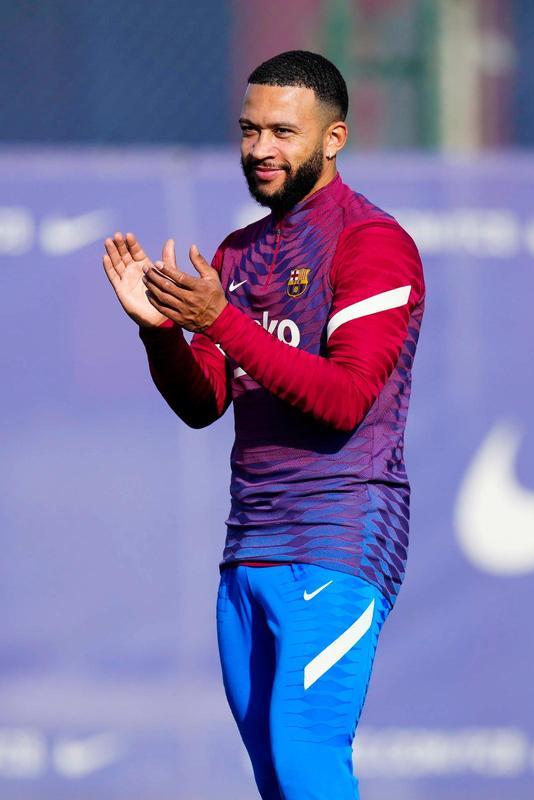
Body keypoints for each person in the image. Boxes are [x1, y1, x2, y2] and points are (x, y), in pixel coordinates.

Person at [101, 50, 424, 799]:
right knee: (276, 775)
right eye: (249, 131)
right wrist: (160, 332)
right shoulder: (238, 254)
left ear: (334, 138)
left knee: (305, 751)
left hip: (341, 533)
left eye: (283, 132)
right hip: (250, 542)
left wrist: (218, 318)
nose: (260, 149)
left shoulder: (372, 243)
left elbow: (347, 398)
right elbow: (204, 402)